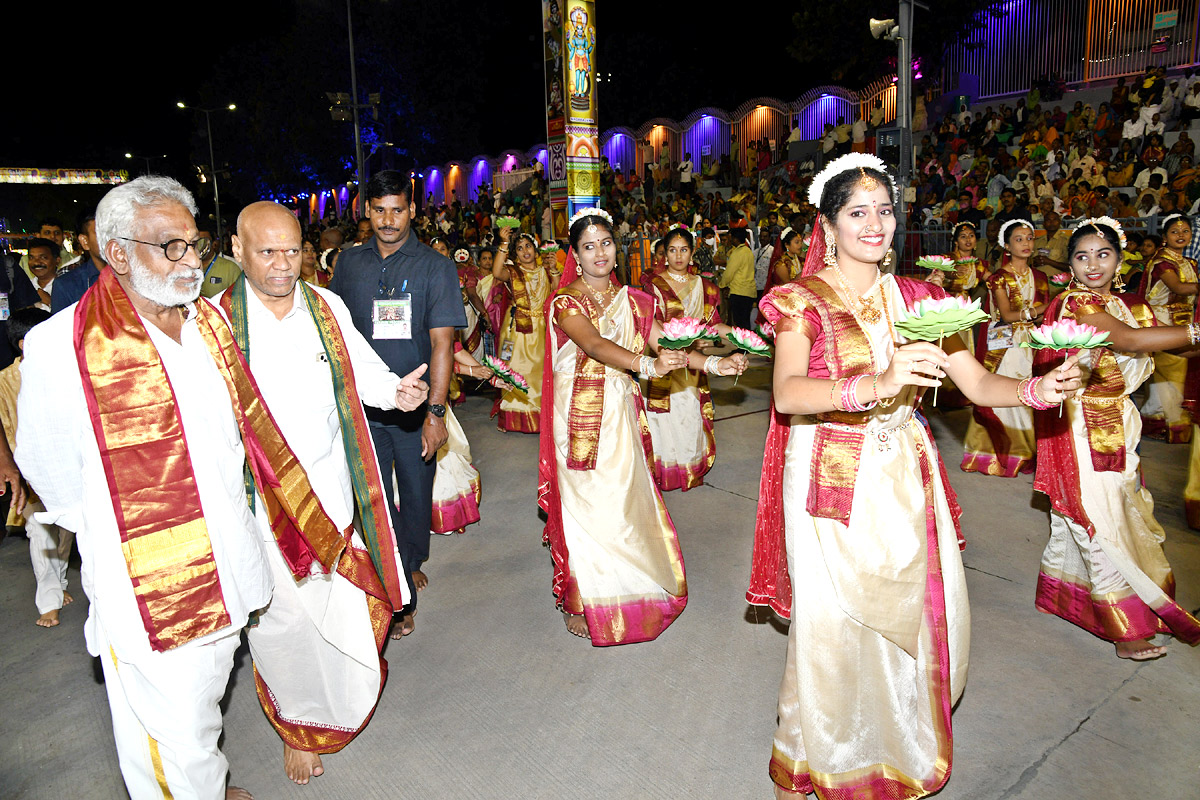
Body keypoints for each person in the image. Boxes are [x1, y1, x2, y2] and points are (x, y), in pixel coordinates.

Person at [14, 176, 364, 800]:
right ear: (118, 253)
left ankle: (203, 779)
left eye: (193, 244)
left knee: (203, 703)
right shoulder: (60, 346)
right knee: (168, 733)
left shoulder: (210, 324)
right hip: (152, 586)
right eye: (169, 247)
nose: (190, 261)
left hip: (232, 561)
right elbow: (55, 479)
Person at [747, 153, 1079, 800]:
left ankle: (891, 741)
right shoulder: (802, 301)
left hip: (902, 471)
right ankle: (809, 754)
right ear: (830, 223)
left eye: (885, 210)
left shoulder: (923, 301)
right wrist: (879, 381)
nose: (875, 224)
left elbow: (979, 381)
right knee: (833, 622)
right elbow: (788, 393)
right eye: (857, 212)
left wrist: (1040, 388)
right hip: (827, 473)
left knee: (913, 615)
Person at [215, 201, 428, 782]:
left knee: (337, 599)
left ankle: (348, 682)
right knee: (281, 616)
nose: (283, 265)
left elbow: (365, 370)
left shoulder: (325, 305)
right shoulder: (213, 322)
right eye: (267, 252)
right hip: (262, 504)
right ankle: (299, 724)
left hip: (334, 486)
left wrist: (398, 394)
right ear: (237, 251)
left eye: (291, 250)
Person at [540, 208, 742, 645]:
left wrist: (715, 363)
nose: (599, 253)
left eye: (606, 243)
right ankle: (584, 597)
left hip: (620, 410)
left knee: (625, 495)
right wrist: (644, 364)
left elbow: (665, 343)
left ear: (618, 247)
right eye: (589, 246)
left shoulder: (635, 300)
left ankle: (627, 584)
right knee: (585, 501)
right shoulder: (565, 302)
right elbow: (593, 344)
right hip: (578, 412)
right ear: (574, 253)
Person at [1034, 217, 1200, 660]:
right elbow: (1127, 339)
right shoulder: (1076, 304)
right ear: (1069, 264)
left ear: (1119, 259)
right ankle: (1123, 628)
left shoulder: (1126, 304)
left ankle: (1060, 593)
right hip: (1083, 421)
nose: (1092, 264)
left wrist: (1189, 340)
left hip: (1119, 419)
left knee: (1100, 512)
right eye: (1081, 256)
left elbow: (1156, 343)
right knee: (1098, 518)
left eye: (1102, 254)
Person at [327, 171, 464, 637]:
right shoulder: (348, 264)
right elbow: (337, 335)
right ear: (366, 210)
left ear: (412, 210)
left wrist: (437, 414)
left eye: (398, 210)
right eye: (379, 209)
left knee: (415, 494)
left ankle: (411, 558)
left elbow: (442, 344)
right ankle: (397, 586)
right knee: (373, 500)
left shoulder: (435, 266)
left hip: (415, 412)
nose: (388, 220)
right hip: (364, 408)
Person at [644, 226, 747, 491]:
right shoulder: (652, 286)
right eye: (672, 250)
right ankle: (664, 472)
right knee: (662, 419)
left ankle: (686, 468)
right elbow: (648, 327)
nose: (678, 256)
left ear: (692, 254)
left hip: (692, 362)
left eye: (684, 250)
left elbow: (714, 325)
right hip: (663, 359)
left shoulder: (705, 287)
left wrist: (740, 337)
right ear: (664, 255)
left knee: (689, 415)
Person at [961, 218, 1050, 477]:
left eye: (1029, 238)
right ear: (1007, 246)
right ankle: (1013, 453)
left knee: (1032, 393)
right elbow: (1008, 315)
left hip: (1032, 342)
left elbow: (1043, 317)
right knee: (1010, 393)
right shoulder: (999, 278)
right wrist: (1042, 309)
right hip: (1006, 344)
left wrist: (1042, 314)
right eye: (1019, 239)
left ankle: (1026, 450)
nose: (1026, 243)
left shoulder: (1041, 277)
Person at [0, 307, 70, 627]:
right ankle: (49, 601)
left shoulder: (62, 369)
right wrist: (13, 469)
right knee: (40, 531)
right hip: (28, 471)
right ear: (24, 344)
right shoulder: (5, 381)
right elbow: (5, 429)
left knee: (67, 529)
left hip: (63, 463)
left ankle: (61, 584)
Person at [1138, 214, 1198, 443]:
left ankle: (1156, 418)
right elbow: (1178, 288)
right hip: (1164, 322)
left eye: (1185, 231)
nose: (1180, 235)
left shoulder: (1189, 263)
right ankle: (1171, 421)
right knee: (1172, 371)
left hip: (1184, 321)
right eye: (1174, 232)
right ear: (1164, 237)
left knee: (1170, 373)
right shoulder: (1162, 262)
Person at [491, 227, 553, 432]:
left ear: (536, 250)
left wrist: (554, 270)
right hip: (516, 329)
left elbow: (557, 292)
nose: (525, 251)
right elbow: (496, 272)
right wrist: (504, 244)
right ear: (515, 254)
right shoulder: (513, 272)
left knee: (539, 372)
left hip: (541, 329)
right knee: (515, 368)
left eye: (528, 246)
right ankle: (512, 415)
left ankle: (540, 417)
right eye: (519, 248)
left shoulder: (546, 271)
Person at [51, 212, 105, 313]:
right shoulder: (67, 285)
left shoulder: (136, 276)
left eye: (114, 231)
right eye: (101, 233)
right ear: (85, 241)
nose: (110, 238)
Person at [719, 227, 756, 328]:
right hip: (749, 291)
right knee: (745, 322)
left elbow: (729, 273)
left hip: (739, 291)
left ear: (735, 239)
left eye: (730, 237)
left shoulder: (737, 253)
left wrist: (722, 285)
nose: (729, 240)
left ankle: (743, 343)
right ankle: (748, 342)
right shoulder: (748, 251)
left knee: (740, 323)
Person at [198, 230, 242, 298]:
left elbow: (238, 298)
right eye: (196, 241)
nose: (200, 245)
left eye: (204, 241)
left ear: (214, 244)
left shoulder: (231, 268)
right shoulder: (188, 267)